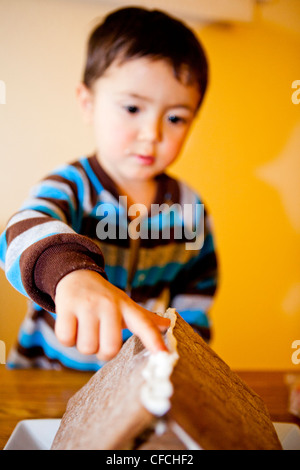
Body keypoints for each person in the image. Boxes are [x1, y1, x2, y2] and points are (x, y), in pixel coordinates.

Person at [0, 7, 218, 370]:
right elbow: (17, 233)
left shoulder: (189, 209)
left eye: (176, 118)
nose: (153, 134)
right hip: (46, 376)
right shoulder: (72, 186)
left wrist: (186, 363)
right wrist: (71, 273)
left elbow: (196, 299)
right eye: (132, 108)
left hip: (130, 382)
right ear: (88, 104)